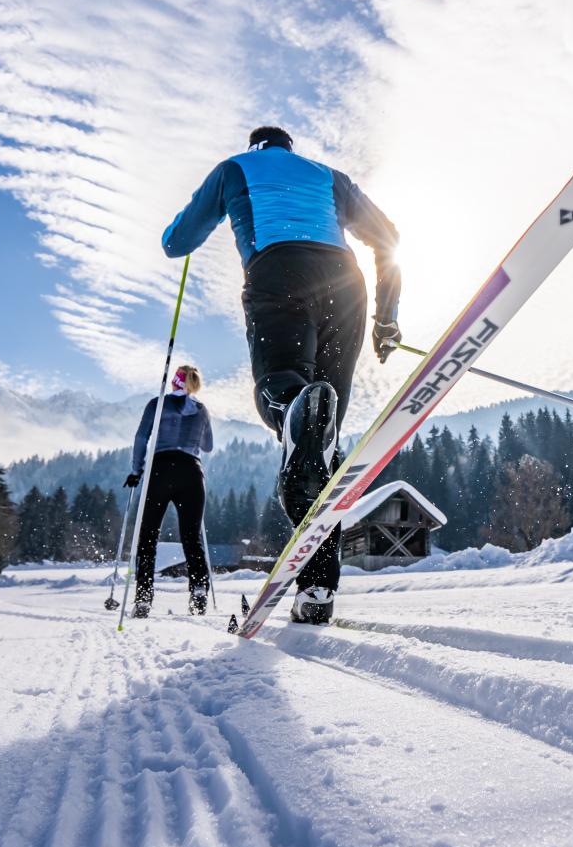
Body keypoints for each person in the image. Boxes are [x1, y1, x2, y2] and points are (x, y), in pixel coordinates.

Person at [161, 125, 401, 624]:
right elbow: (388, 238)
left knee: (288, 395)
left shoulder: (235, 169)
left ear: (256, 146)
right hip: (346, 285)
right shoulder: (328, 176)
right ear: (291, 148)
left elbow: (177, 241)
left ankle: (294, 408)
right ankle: (316, 592)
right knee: (321, 441)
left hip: (277, 274)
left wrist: (177, 234)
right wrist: (387, 318)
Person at [123, 364, 214, 618]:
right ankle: (198, 591)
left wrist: (136, 470)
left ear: (174, 382)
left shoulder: (157, 404)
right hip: (191, 473)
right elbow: (208, 446)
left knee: (148, 536)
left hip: (160, 471)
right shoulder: (201, 410)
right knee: (192, 538)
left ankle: (143, 598)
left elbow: (142, 438)